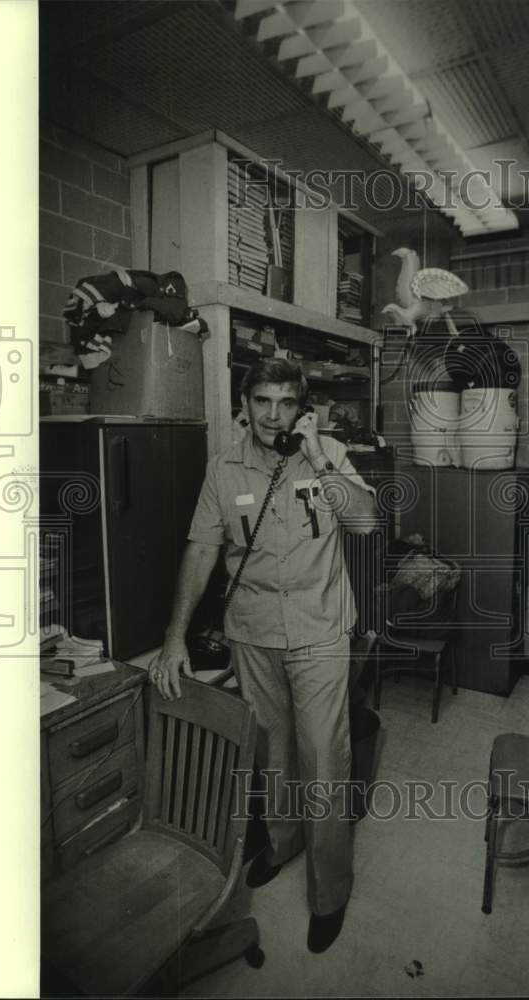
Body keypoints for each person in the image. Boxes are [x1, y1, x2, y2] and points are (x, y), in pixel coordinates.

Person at [150, 357, 378, 953]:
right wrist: (175, 635)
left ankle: (330, 893)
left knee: (324, 760)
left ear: (301, 407)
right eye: (263, 402)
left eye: (285, 403)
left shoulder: (325, 453)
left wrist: (321, 456)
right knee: (271, 754)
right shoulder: (224, 469)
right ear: (244, 406)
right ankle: (282, 842)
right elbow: (202, 551)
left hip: (320, 628)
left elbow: (365, 521)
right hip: (251, 631)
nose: (273, 415)